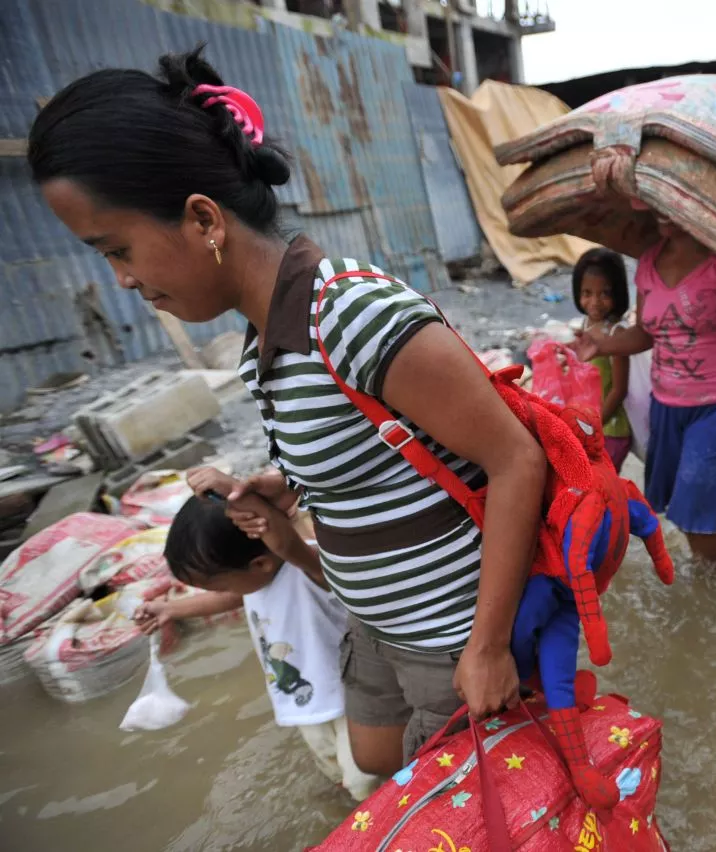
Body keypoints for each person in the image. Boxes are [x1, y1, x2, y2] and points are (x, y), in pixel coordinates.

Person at [28, 48, 546, 776]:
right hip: (373, 622)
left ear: (204, 220)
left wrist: (488, 648)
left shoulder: (350, 313)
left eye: (118, 249)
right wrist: (294, 483)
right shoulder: (263, 341)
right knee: (373, 766)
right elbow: (370, 446)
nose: (121, 281)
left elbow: (517, 458)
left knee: (453, 795)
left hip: (448, 631)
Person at [135, 473, 380, 801]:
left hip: (352, 700)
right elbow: (234, 596)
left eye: (220, 583)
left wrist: (254, 506)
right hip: (303, 702)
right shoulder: (255, 581)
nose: (222, 593)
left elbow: (285, 552)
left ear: (261, 562)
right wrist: (171, 610)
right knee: (335, 773)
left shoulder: (311, 567)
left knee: (365, 782)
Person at [571, 216, 716, 569]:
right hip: (667, 404)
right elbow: (645, 334)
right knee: (675, 506)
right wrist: (602, 344)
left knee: (695, 516)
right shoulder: (647, 263)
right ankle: (705, 579)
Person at [571, 248, 631, 471]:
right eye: (587, 293)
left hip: (610, 431)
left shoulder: (617, 334)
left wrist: (595, 425)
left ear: (618, 294)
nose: (594, 302)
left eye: (604, 293)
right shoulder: (585, 324)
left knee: (602, 486)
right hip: (591, 425)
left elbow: (619, 389)